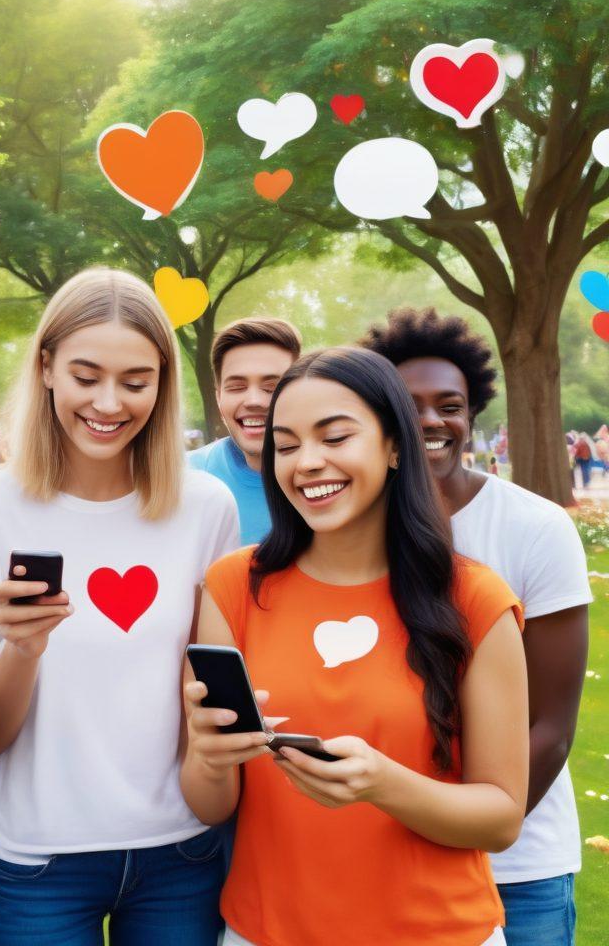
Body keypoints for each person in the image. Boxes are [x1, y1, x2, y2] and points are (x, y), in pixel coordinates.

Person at [181, 346, 528, 946]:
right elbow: (212, 806)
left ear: (395, 446)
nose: (307, 463)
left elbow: (500, 818)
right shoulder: (234, 586)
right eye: (286, 446)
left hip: (439, 934)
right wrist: (210, 756)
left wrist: (382, 784)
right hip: (266, 932)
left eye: (335, 438)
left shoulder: (473, 598)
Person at [0, 268, 240, 946]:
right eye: (86, 375)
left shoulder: (205, 509)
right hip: (41, 859)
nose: (109, 402)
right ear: (46, 367)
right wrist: (22, 646)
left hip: (181, 854)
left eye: (136, 382)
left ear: (162, 384)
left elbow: (205, 700)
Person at [364, 307, 591, 946]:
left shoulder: (535, 528)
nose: (432, 421)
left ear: (472, 414)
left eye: (450, 405)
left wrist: (471, 827)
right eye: (409, 405)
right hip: (387, 855)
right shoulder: (349, 531)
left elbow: (550, 725)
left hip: (519, 867)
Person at [188, 318, 301, 545]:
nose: (254, 401)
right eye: (237, 387)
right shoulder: (183, 478)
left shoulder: (329, 479)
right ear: (219, 398)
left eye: (272, 387)